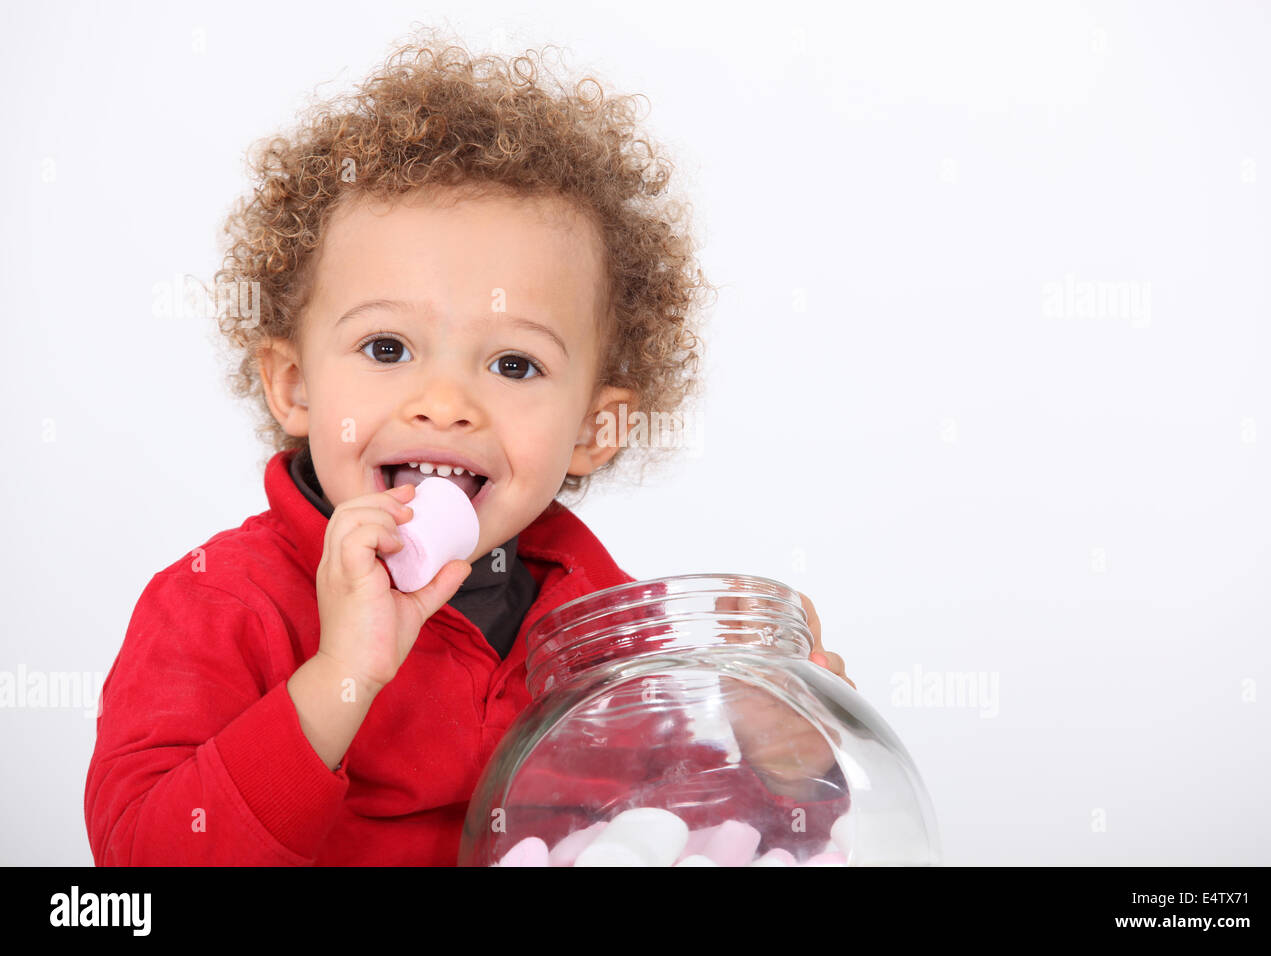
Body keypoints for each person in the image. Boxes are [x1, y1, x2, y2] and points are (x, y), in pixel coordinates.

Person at [84, 27, 855, 866]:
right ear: (295, 386)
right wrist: (345, 673)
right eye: (387, 349)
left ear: (594, 429)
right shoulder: (218, 608)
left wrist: (788, 757)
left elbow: (702, 834)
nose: (445, 404)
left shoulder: (612, 635)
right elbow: (143, 866)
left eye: (514, 363)